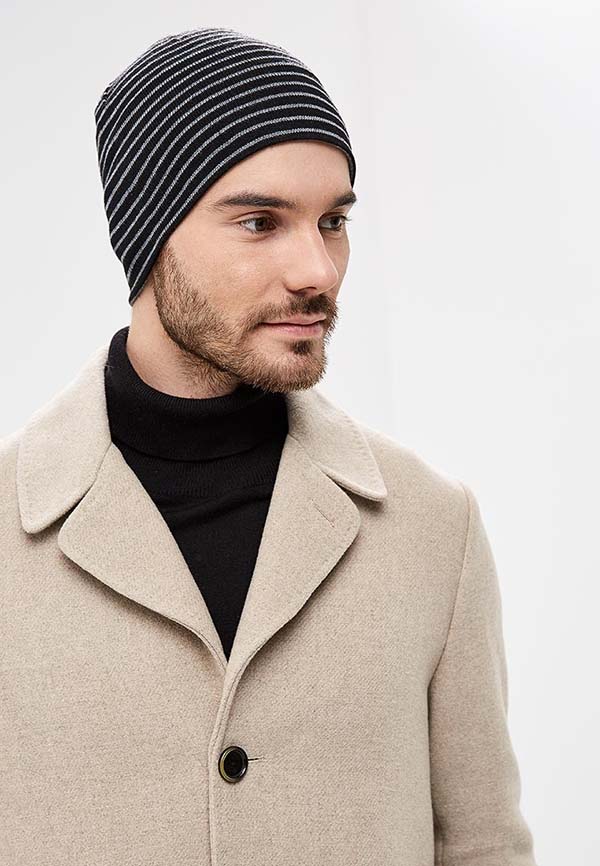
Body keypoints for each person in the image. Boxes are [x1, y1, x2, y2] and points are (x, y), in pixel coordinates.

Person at [0, 26, 538, 866]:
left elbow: (483, 847)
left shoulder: (434, 527)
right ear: (149, 236)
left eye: (333, 221)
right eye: (260, 222)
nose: (318, 270)